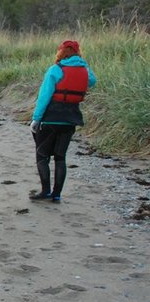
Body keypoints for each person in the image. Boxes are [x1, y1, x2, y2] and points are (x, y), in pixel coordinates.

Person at [29, 39, 97, 203]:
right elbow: (92, 81)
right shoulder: (85, 70)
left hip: (51, 118)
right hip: (71, 118)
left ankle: (45, 191)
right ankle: (57, 194)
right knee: (60, 157)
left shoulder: (55, 70)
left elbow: (44, 97)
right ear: (78, 53)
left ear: (60, 52)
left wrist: (36, 119)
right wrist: (83, 65)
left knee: (42, 156)